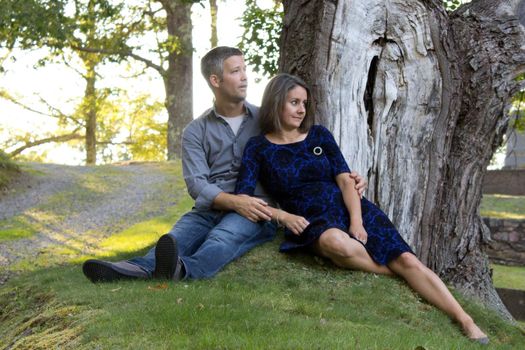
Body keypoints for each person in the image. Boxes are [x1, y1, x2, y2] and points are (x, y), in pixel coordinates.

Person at [234, 73, 489, 344]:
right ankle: (395, 275)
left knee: (407, 260)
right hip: (311, 219)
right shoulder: (258, 148)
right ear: (276, 103)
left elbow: (345, 181)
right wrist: (282, 216)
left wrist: (356, 221)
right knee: (337, 243)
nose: (301, 110)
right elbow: (244, 197)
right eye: (293, 102)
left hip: (351, 207)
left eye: (304, 103)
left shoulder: (319, 135)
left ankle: (466, 321)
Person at [82, 47, 368, 283]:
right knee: (174, 238)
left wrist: (347, 178)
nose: (244, 78)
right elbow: (196, 183)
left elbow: (305, 152)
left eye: (244, 70)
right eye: (235, 72)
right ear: (215, 80)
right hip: (210, 207)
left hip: (256, 210)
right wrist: (232, 201)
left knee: (222, 239)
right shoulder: (195, 131)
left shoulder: (267, 120)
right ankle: (132, 269)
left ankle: (184, 270)